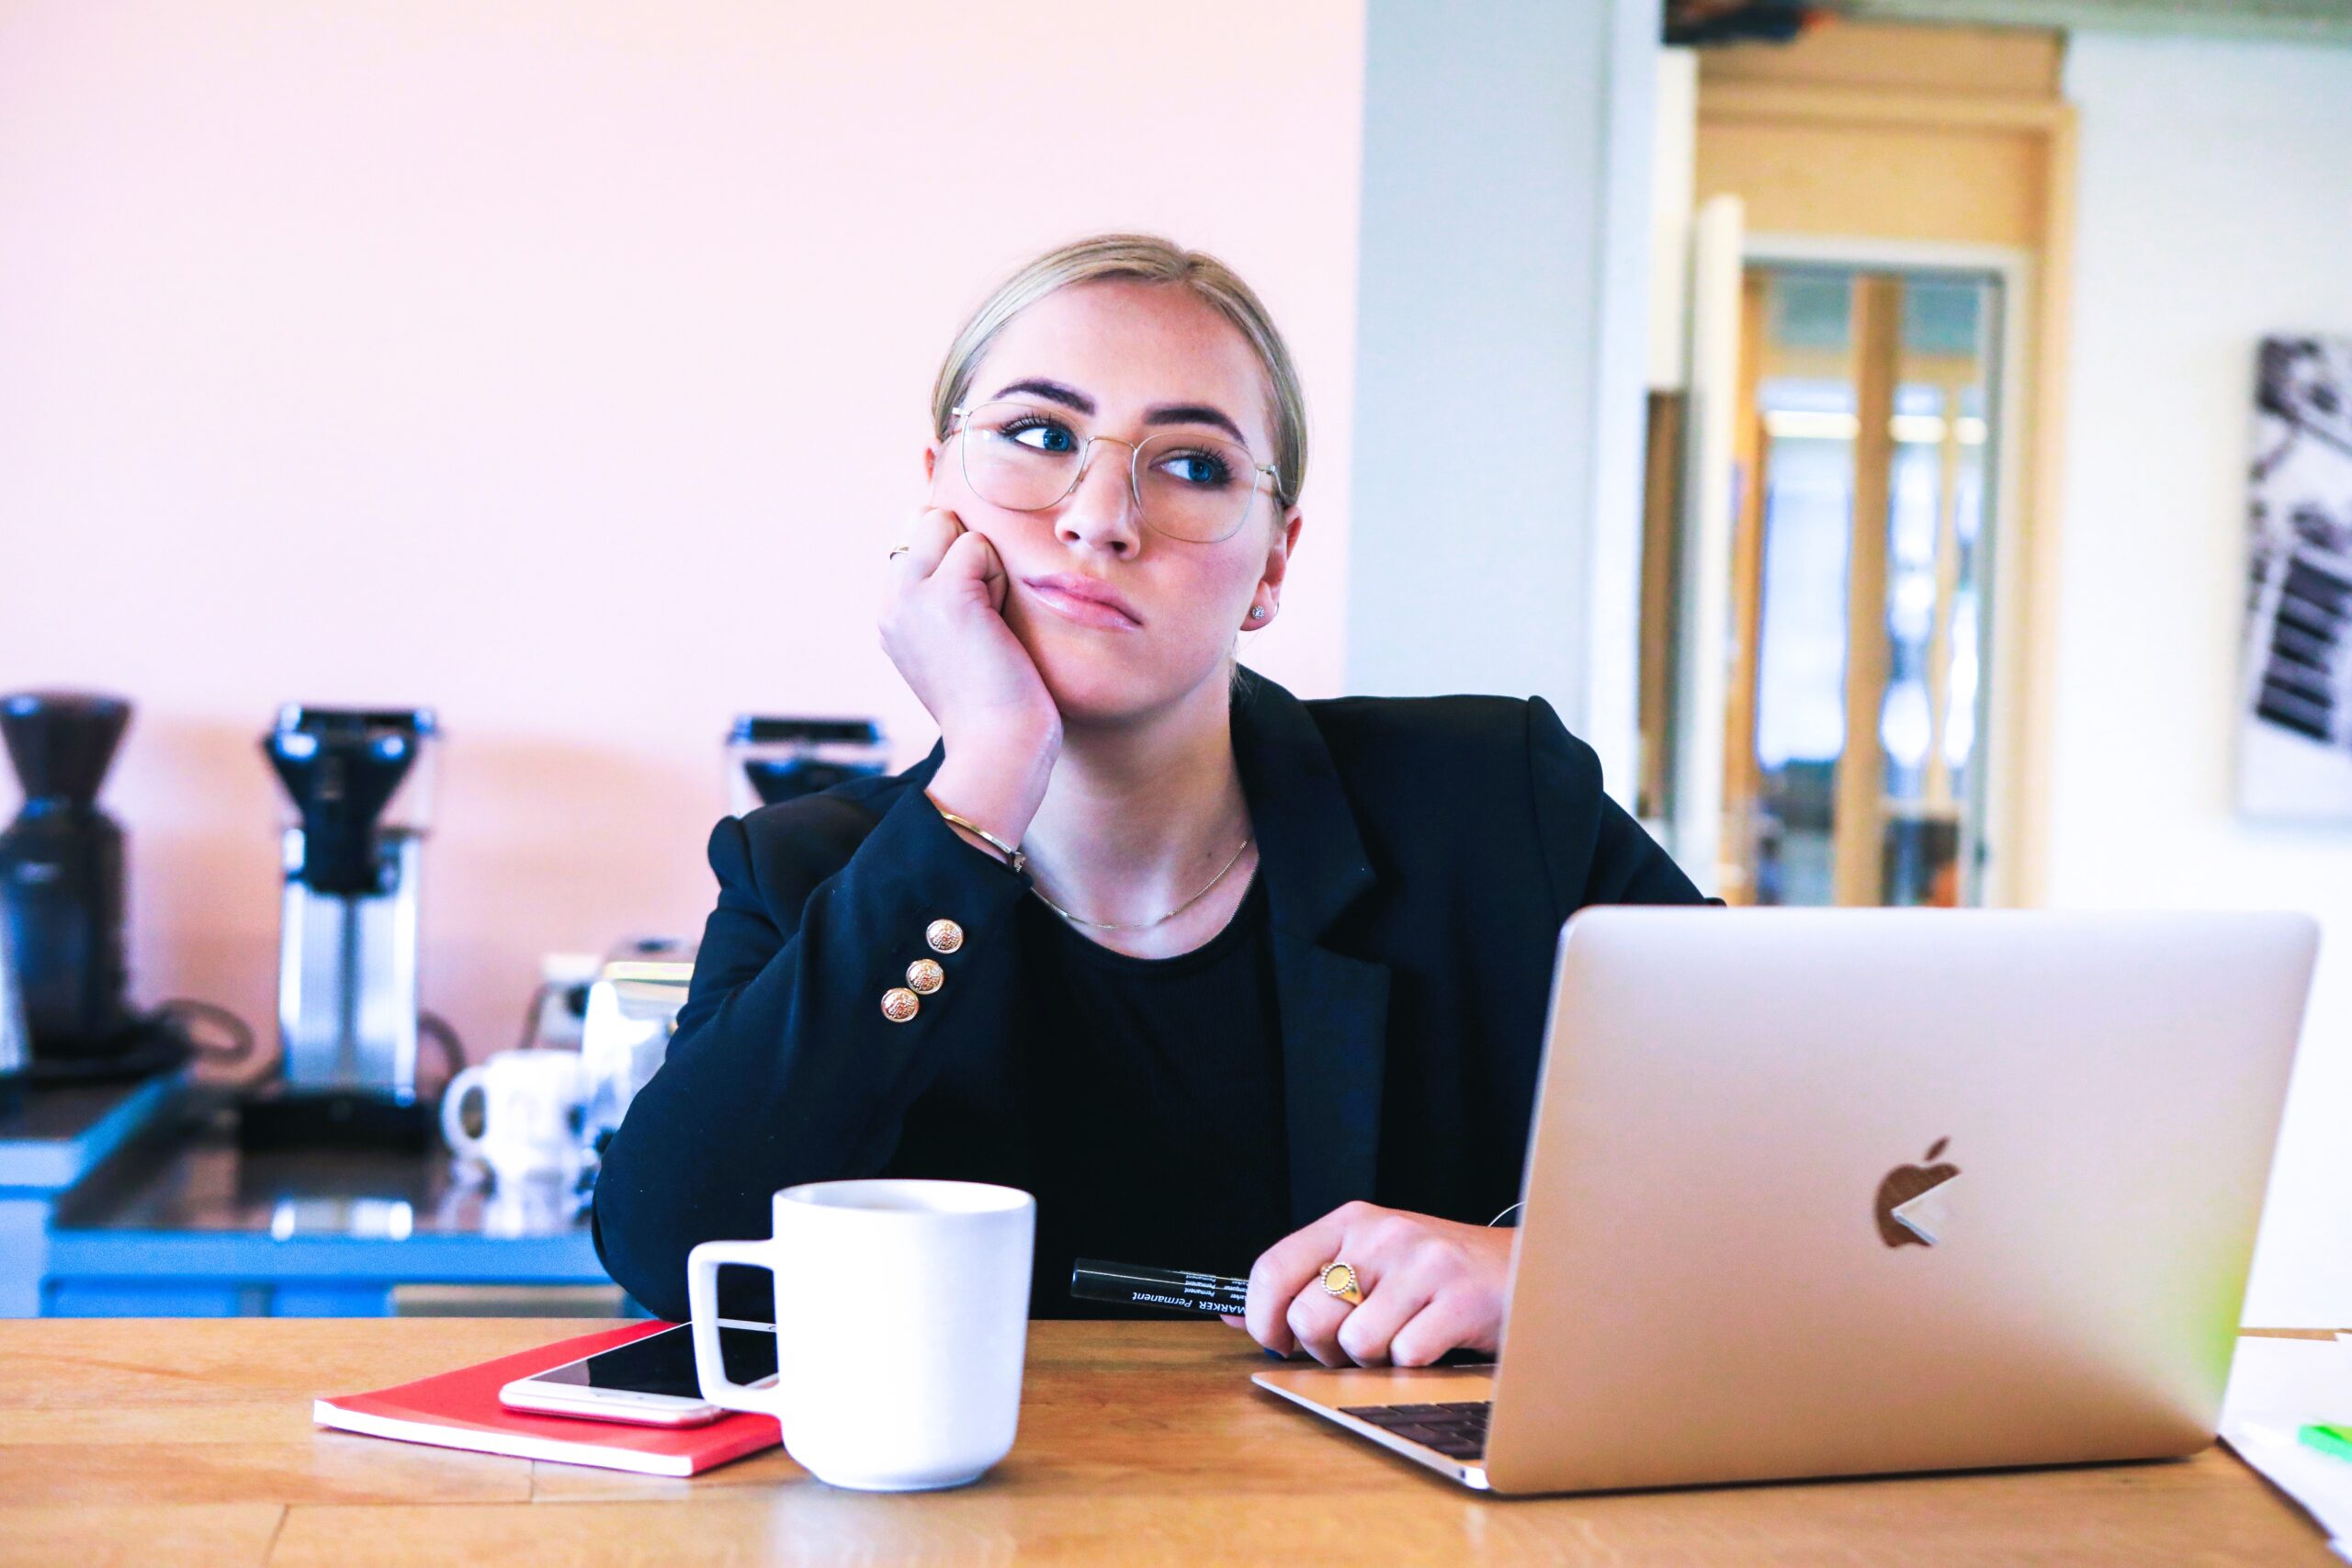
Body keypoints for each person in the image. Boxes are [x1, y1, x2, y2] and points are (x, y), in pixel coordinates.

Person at [593, 233, 1709, 1369]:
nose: (1098, 516)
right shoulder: (803, 871)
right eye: (1039, 437)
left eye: (1191, 465)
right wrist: (985, 772)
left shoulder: (1496, 804)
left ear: (1273, 563)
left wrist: (1546, 1276)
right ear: (934, 493)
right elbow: (673, 1251)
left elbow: (1826, 1161)